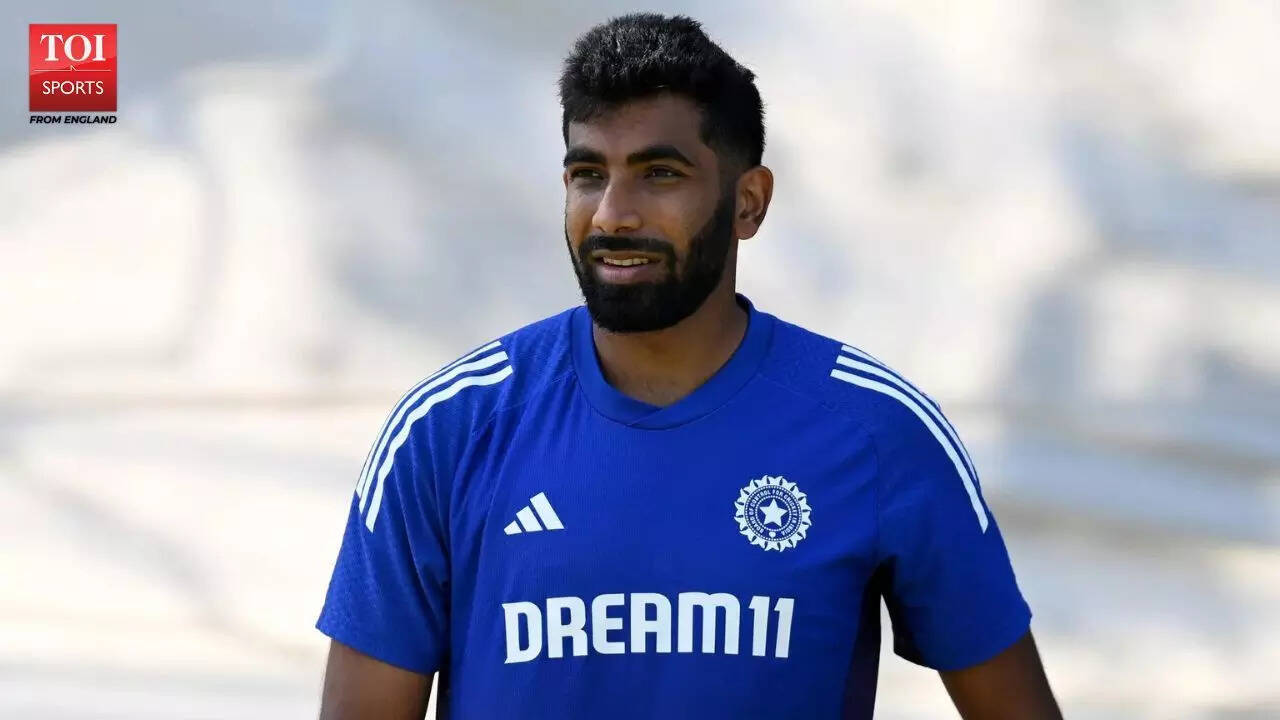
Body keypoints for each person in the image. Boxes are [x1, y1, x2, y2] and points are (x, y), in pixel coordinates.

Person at [316, 12, 1061, 719]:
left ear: (749, 203)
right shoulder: (449, 429)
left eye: (660, 174)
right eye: (588, 174)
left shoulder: (875, 430)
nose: (613, 214)